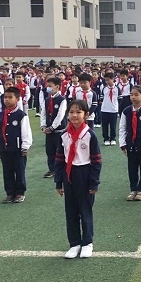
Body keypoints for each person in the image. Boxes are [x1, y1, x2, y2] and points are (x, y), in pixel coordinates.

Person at [54, 100, 102, 259]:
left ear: (86, 115)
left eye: (78, 112)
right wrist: (58, 181)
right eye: (71, 112)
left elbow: (96, 161)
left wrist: (94, 182)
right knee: (71, 210)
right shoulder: (64, 135)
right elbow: (59, 159)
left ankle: (87, 242)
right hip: (69, 174)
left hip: (84, 173)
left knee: (85, 209)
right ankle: (74, 243)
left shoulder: (89, 135)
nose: (74, 115)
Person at [0, 87, 33, 203]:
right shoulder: (0, 115)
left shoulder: (21, 115)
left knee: (19, 171)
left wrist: (25, 147)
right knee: (7, 171)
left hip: (18, 149)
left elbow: (26, 132)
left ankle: (20, 192)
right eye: (5, 97)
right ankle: (10, 193)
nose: (7, 100)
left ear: (17, 99)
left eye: (10, 97)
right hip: (4, 148)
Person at [40, 77, 67, 178]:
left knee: (59, 151)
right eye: (47, 86)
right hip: (49, 131)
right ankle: (52, 169)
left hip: (59, 130)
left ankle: (61, 169)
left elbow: (60, 116)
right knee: (49, 151)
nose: (48, 88)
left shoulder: (62, 100)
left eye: (50, 86)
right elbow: (43, 113)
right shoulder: (47, 100)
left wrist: (52, 127)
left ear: (57, 87)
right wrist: (43, 126)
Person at [100, 72, 119, 146]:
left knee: (113, 125)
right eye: (106, 80)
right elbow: (101, 98)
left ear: (113, 79)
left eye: (108, 80)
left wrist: (116, 105)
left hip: (113, 110)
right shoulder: (104, 88)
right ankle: (106, 139)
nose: (107, 82)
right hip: (104, 109)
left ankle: (113, 138)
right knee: (104, 125)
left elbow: (120, 99)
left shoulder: (117, 88)